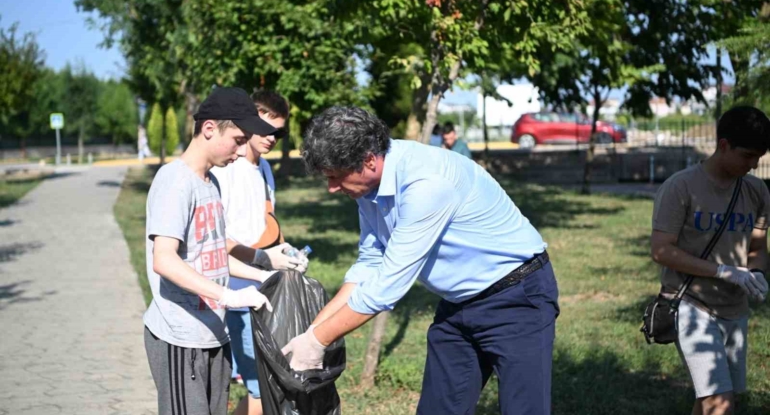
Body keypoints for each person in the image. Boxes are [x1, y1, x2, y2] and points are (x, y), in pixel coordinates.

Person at [282, 106, 559, 415]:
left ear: (368, 161)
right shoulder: (368, 188)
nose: (332, 188)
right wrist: (311, 332)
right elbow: (371, 262)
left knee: (524, 409)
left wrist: (319, 340)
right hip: (458, 305)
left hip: (516, 298)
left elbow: (386, 287)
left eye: (336, 177)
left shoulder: (426, 184)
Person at [143, 87, 281, 415]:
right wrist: (228, 296)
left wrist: (265, 272)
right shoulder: (175, 181)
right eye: (237, 139)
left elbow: (214, 257)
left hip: (213, 334)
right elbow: (164, 260)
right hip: (181, 337)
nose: (240, 149)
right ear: (209, 129)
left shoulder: (211, 182)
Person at [650, 105, 770, 415]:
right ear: (723, 145)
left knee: (710, 401)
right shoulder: (681, 186)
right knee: (720, 403)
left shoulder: (757, 192)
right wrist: (723, 271)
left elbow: (757, 246)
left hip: (735, 310)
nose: (755, 165)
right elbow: (661, 250)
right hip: (692, 305)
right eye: (747, 156)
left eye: (760, 156)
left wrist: (755, 273)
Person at [210, 89, 305, 415]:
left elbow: (262, 230)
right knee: (259, 391)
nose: (272, 138)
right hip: (233, 296)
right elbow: (217, 240)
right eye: (266, 128)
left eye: (279, 132)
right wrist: (264, 260)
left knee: (260, 390)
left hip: (263, 295)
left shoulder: (264, 170)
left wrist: (285, 252)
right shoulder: (226, 170)